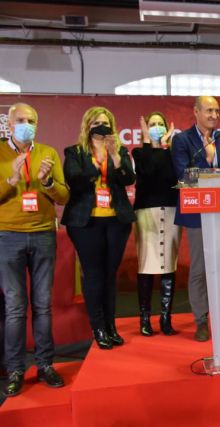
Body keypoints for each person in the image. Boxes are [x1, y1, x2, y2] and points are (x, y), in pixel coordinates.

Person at [1, 103, 69, 396]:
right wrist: (11, 180)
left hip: (43, 235)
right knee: (15, 308)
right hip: (8, 236)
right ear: (9, 123)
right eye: (20, 120)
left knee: (42, 305)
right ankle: (15, 369)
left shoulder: (48, 153)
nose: (25, 124)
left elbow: (64, 196)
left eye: (31, 120)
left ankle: (45, 365)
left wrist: (48, 182)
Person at [62, 106, 136, 350]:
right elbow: (74, 179)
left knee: (109, 275)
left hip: (116, 219)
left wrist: (114, 156)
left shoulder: (120, 151)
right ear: (87, 126)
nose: (100, 127)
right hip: (86, 222)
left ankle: (111, 325)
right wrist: (98, 163)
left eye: (105, 123)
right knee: (94, 275)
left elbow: (128, 179)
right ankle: (99, 328)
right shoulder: (75, 152)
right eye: (96, 123)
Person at [171, 96, 220, 341]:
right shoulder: (181, 140)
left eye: (217, 111)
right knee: (200, 268)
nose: (213, 115)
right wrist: (207, 159)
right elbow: (182, 174)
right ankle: (201, 320)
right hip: (198, 211)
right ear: (196, 112)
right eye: (208, 110)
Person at [133, 112, 181, 336]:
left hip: (171, 210)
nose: (157, 127)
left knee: (169, 263)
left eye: (160, 124)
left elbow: (171, 177)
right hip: (146, 212)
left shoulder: (171, 153)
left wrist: (165, 147)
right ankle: (144, 319)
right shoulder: (139, 153)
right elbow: (148, 173)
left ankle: (165, 318)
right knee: (146, 264)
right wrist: (148, 143)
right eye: (152, 124)